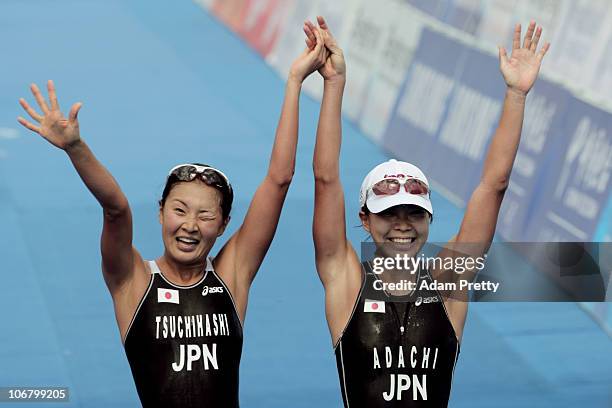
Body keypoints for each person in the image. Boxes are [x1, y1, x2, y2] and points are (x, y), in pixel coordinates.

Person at [16, 28, 329, 407]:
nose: (190, 226)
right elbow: (116, 208)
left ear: (224, 224)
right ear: (161, 212)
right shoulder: (131, 280)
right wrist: (76, 149)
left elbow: (279, 181)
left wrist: (294, 81)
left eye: (205, 215)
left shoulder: (232, 275)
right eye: (179, 210)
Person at [305, 17, 549, 407]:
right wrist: (333, 85)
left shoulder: (450, 281)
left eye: (414, 214)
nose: (403, 225)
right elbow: (325, 180)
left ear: (429, 219)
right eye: (389, 213)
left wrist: (516, 96)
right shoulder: (345, 280)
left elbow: (494, 186)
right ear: (365, 220)